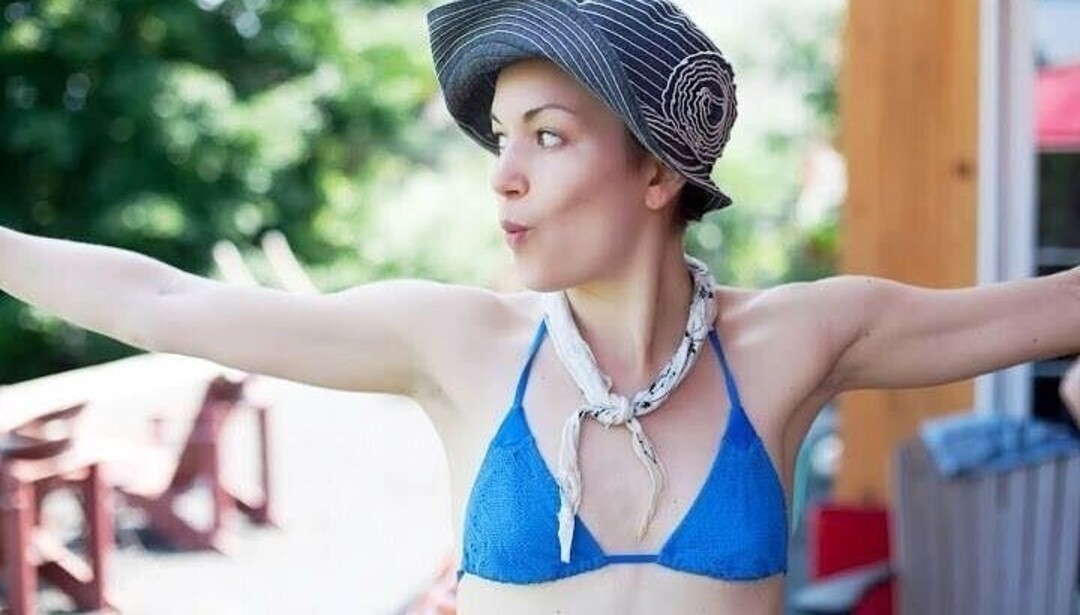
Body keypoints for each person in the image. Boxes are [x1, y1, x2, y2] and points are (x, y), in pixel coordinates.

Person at [1, 1, 1078, 613]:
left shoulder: (792, 340)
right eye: (501, 138)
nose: (503, 175)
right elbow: (160, 298)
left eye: (547, 136)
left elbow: (1055, 307)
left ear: (657, 171)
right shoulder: (456, 341)